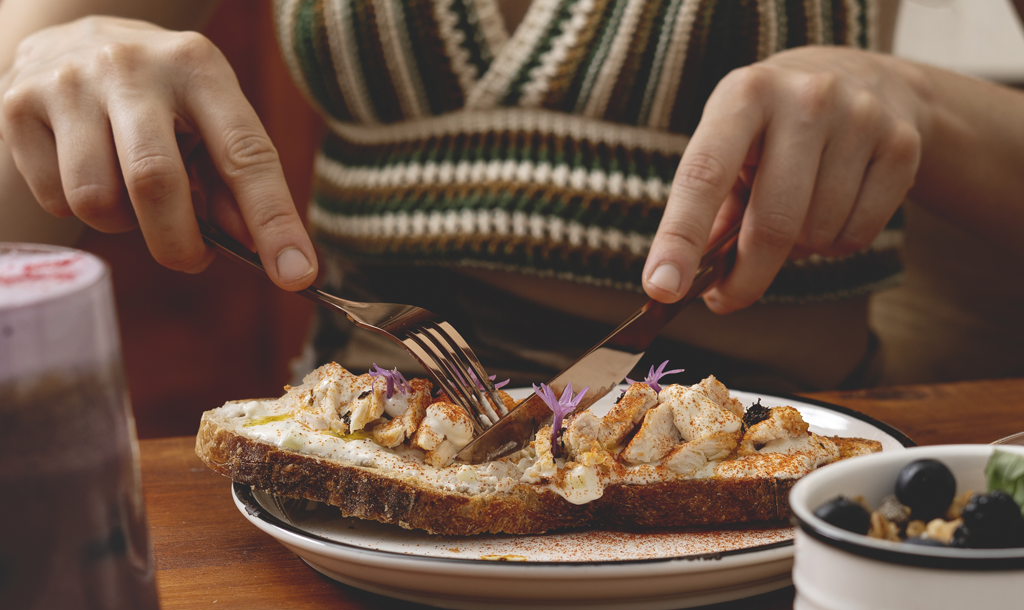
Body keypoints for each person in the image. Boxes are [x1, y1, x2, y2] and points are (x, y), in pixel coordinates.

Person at [1, 0, 1023, 393]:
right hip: (349, 515)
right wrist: (59, 50)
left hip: (781, 518)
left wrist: (915, 100)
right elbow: (39, 36)